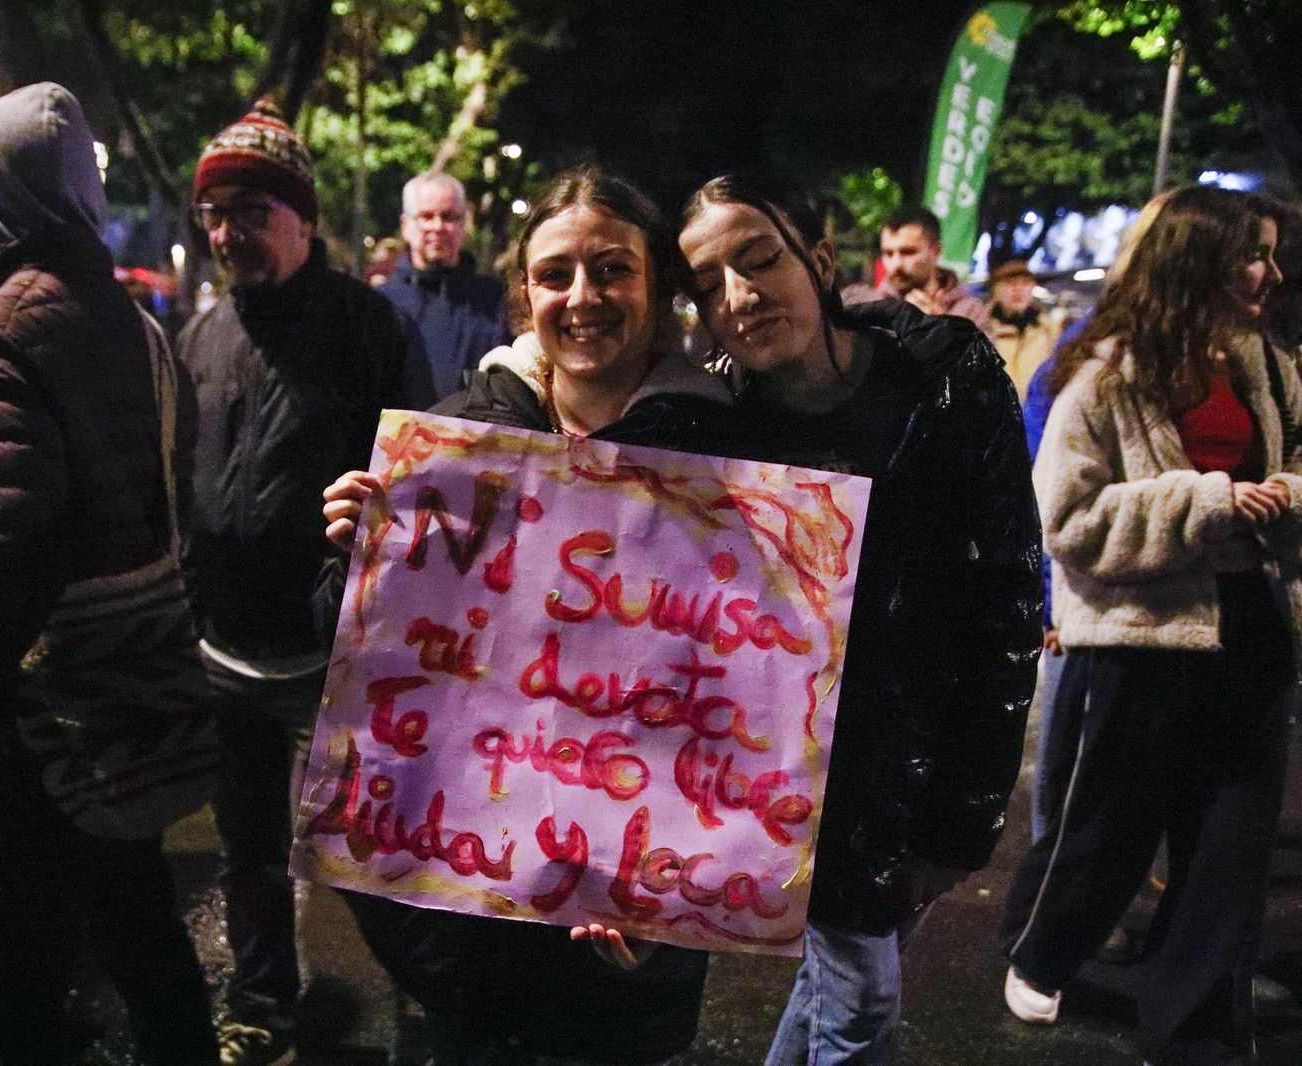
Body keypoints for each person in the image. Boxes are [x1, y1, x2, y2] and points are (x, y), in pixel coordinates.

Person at [319, 165, 730, 1066]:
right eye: (555, 274)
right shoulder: (458, 437)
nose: (583, 297)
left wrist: (679, 908)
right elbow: (361, 681)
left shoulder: (729, 470)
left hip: (632, 937)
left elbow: (751, 717)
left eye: (612, 269)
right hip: (468, 938)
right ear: (524, 292)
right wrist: (354, 562)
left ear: (656, 283)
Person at [677, 174, 1042, 1066]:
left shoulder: (948, 378)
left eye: (760, 259)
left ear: (822, 260)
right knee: (857, 998)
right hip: (780, 784)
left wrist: (962, 818)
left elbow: (1008, 597)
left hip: (906, 771)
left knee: (844, 979)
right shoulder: (703, 420)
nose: (741, 295)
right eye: (708, 283)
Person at [0, 81, 219, 1066]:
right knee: (136, 914)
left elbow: (3, 541)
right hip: (136, 678)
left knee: (2, 970)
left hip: (43, 699)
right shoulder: (133, 322)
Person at [999, 186, 1300, 1066]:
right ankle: (1044, 952)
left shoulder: (1271, 361)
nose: (1271, 273)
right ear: (1197, 258)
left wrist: (1284, 497)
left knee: (1230, 840)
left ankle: (1199, 1026)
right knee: (1108, 830)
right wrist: (1204, 502)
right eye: (1255, 253)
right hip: (1142, 638)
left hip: (1252, 628)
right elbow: (1068, 519)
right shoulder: (1104, 373)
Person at [177, 99, 435, 1065]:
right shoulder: (200, 335)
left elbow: (423, 494)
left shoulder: (375, 330)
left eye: (252, 210)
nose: (228, 231)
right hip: (224, 643)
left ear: (305, 219)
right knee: (248, 850)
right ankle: (261, 1002)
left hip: (340, 649)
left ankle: (429, 997)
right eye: (217, 212)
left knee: (379, 849)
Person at [378, 171, 511, 398]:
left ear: (464, 223)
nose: (438, 227)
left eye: (449, 217)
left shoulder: (496, 301)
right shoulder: (379, 303)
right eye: (426, 216)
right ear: (405, 225)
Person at [842, 205, 993, 334]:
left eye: (908, 252)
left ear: (936, 251)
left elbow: (983, 367)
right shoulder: (865, 305)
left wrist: (939, 331)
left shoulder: (971, 312)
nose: (896, 263)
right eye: (888, 253)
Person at [987, 259, 1064, 402]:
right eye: (1010, 283)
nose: (1018, 289)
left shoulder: (1050, 331)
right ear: (996, 290)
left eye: (1025, 283)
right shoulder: (983, 331)